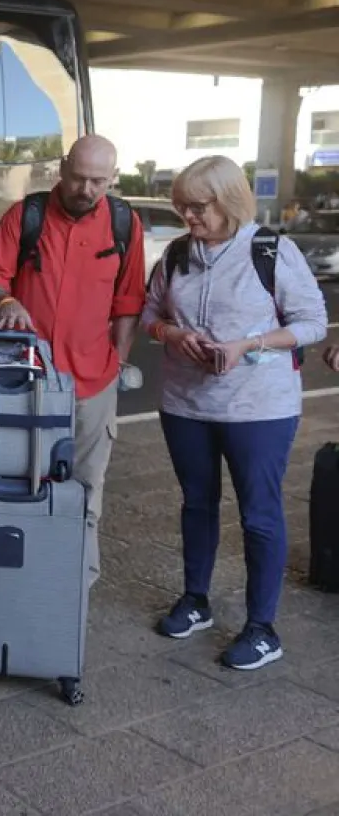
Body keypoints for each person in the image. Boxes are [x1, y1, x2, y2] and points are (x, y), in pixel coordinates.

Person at [141, 155, 326, 670]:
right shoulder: (178, 254)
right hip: (185, 404)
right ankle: (196, 600)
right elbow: (150, 315)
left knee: (259, 515)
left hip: (259, 407)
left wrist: (248, 344)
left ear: (226, 200)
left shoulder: (270, 250)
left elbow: (312, 322)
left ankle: (262, 628)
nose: (187, 218)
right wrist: (175, 334)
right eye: (181, 208)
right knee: (196, 504)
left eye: (196, 207)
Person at [0, 134, 145, 584]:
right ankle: (21, 575)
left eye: (98, 182)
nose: (86, 190)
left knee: (86, 490)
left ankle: (76, 586)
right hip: (27, 382)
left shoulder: (125, 223)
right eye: (79, 178)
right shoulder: (26, 215)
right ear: (62, 170)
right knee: (22, 480)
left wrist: (120, 363)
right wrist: (7, 301)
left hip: (93, 383)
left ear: (112, 179)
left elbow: (129, 300)